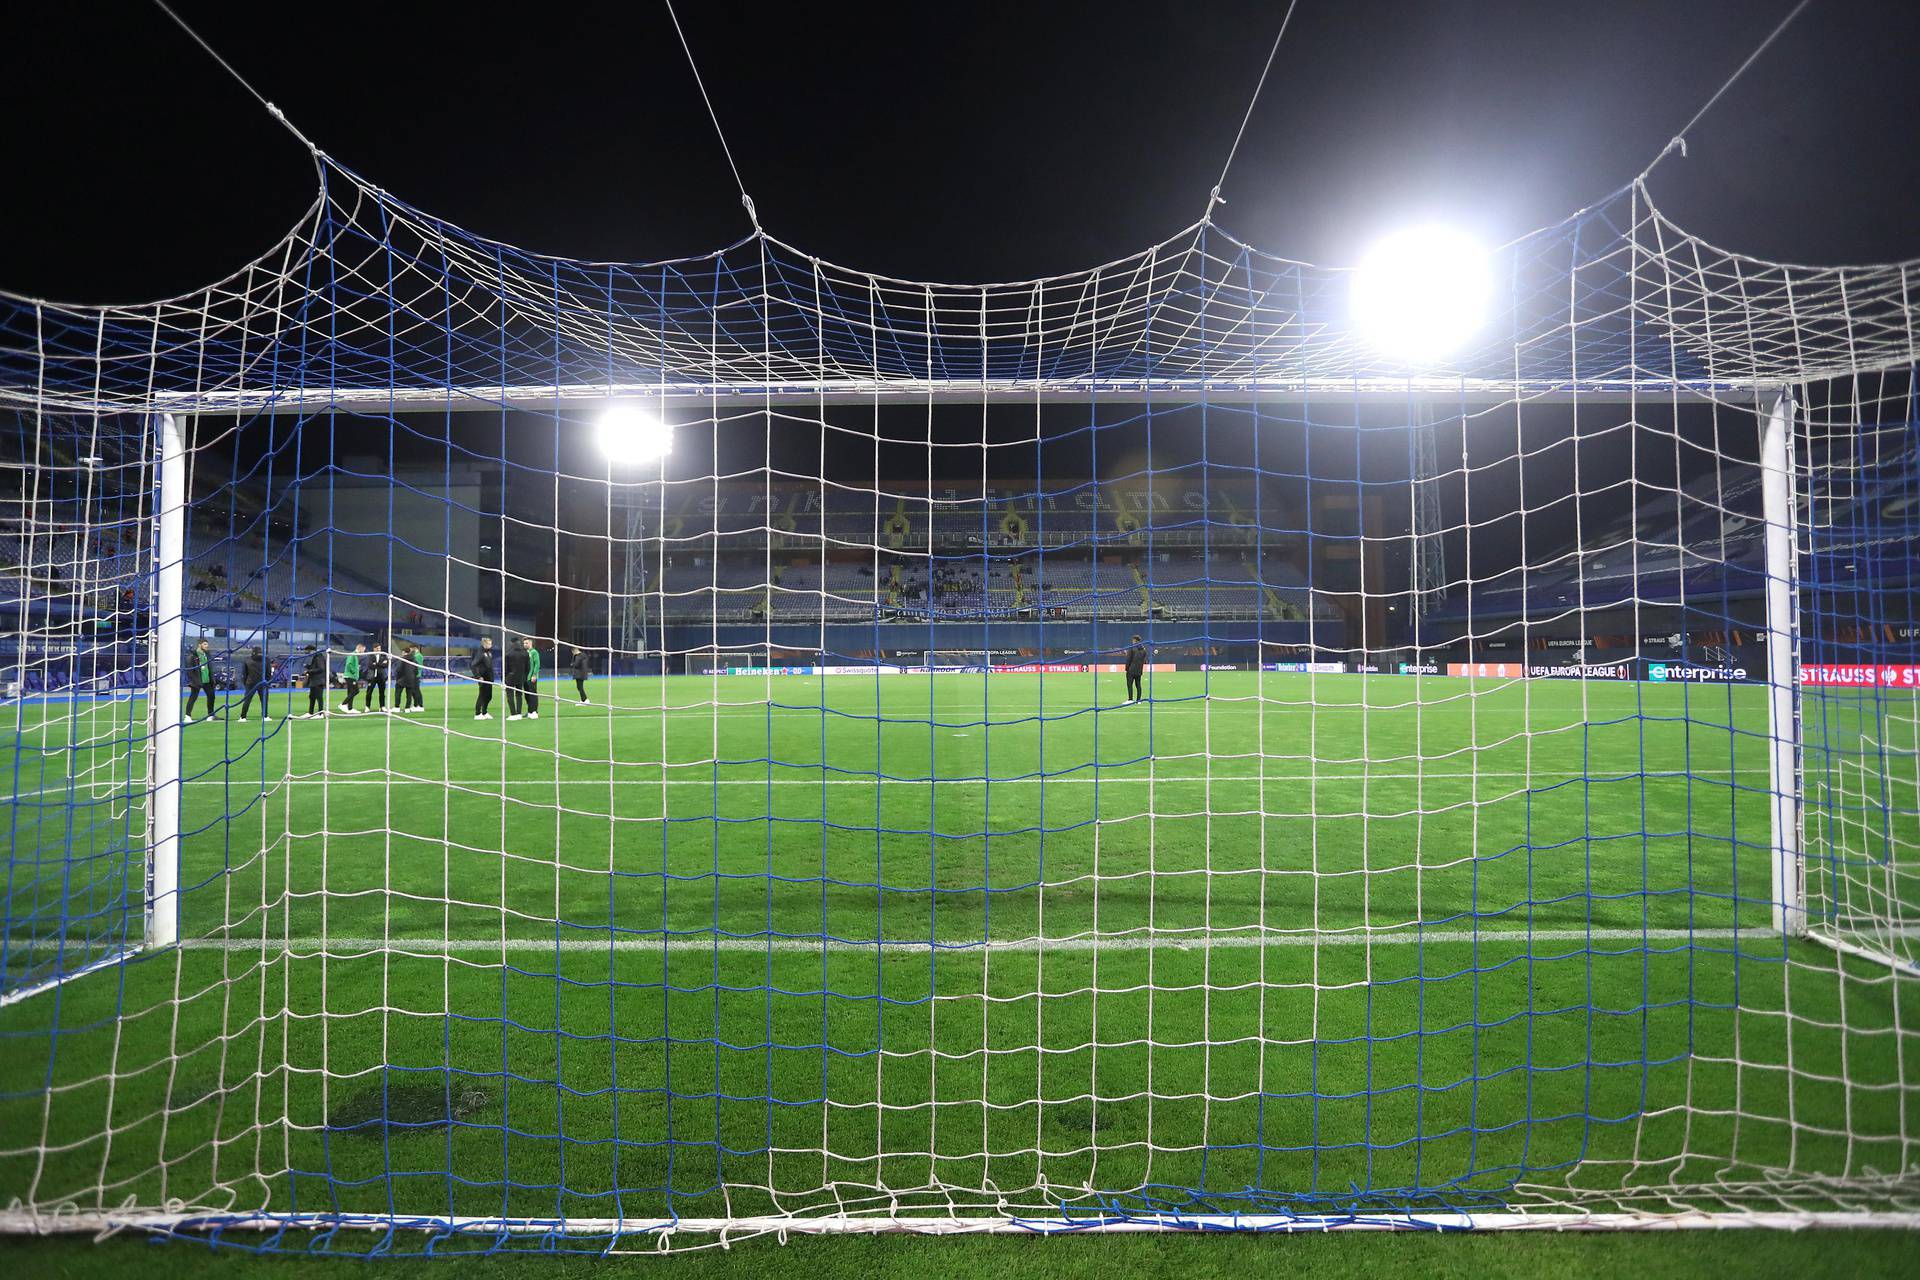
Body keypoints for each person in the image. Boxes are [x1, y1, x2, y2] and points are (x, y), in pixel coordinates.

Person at [184, 638, 216, 721]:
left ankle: (210, 715)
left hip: (207, 680)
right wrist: (195, 680)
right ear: (199, 644)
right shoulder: (192, 656)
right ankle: (187, 716)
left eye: (207, 644)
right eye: (205, 644)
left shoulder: (207, 654)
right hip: (197, 680)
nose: (207, 646)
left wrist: (212, 679)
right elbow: (190, 670)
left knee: (211, 697)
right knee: (193, 697)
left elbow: (210, 668)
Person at [237, 645, 269, 721]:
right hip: (262, 683)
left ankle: (243, 717)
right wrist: (267, 682)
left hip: (250, 683)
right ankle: (264, 716)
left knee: (247, 700)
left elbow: (244, 674)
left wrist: (245, 683)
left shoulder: (247, 660)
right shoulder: (266, 660)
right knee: (264, 700)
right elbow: (268, 673)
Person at [503, 637, 530, 720]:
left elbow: (505, 668)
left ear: (512, 643)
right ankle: (519, 714)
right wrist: (524, 676)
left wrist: (504, 678)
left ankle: (513, 714)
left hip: (510, 677)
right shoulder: (525, 653)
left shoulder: (508, 654)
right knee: (519, 695)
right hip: (521, 677)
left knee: (510, 695)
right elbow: (528, 667)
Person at [471, 636, 496, 720]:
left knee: (489, 696)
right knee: (482, 695)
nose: (491, 645)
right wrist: (478, 676)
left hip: (489, 678)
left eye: (491, 643)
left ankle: (484, 712)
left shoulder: (489, 653)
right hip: (483, 678)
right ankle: (477, 714)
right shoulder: (480, 653)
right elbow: (473, 665)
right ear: (484, 644)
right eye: (489, 643)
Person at [301, 644, 327, 718]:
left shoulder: (319, 657)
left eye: (308, 652)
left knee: (319, 697)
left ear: (311, 650)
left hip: (318, 680)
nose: (308, 654)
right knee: (312, 697)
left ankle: (320, 713)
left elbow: (320, 668)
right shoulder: (316, 657)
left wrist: (308, 671)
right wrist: (308, 667)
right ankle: (310, 712)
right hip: (314, 680)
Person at [339, 642, 365, 713]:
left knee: (350, 692)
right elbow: (349, 664)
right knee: (356, 691)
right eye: (363, 650)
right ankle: (343, 704)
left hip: (351, 676)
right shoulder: (352, 654)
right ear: (360, 648)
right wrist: (354, 672)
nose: (363, 652)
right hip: (350, 676)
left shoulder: (355, 655)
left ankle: (350, 708)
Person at [1125, 633, 1148, 704]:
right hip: (1139, 670)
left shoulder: (1132, 648)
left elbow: (1129, 659)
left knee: (1129, 684)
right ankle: (1138, 700)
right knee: (1138, 685)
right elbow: (1145, 661)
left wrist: (1127, 668)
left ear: (1134, 640)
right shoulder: (1144, 650)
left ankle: (1130, 699)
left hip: (1131, 670)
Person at [367, 641, 389, 712]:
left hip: (381, 677)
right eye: (377, 648)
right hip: (372, 677)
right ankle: (367, 707)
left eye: (380, 648)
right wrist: (380, 664)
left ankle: (382, 706)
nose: (379, 650)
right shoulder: (370, 655)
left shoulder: (383, 655)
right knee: (369, 692)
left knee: (382, 693)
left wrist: (376, 664)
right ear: (374, 649)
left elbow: (386, 665)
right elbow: (370, 665)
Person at [522, 638, 541, 719]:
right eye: (524, 643)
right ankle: (530, 711)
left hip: (531, 677)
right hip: (525, 678)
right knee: (527, 695)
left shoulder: (534, 652)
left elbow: (537, 664)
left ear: (530, 643)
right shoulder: (526, 653)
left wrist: (534, 675)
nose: (525, 645)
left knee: (533, 694)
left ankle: (535, 712)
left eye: (526, 643)